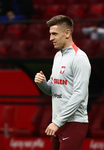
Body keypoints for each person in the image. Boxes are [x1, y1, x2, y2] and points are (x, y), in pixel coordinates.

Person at [34, 15, 91, 150]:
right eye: (50, 34)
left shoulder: (80, 58)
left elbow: (79, 95)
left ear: (67, 33)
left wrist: (57, 122)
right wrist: (42, 83)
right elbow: (52, 90)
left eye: (54, 34)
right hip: (58, 122)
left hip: (74, 123)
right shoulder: (58, 56)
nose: (50, 38)